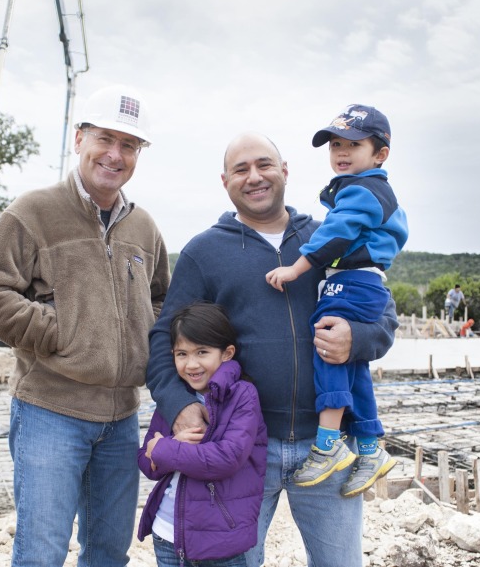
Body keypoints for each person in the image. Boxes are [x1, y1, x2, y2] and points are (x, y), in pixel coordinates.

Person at [146, 131, 399, 567]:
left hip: (329, 446)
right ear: (224, 181)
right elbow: (163, 337)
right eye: (240, 169)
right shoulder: (204, 252)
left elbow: (384, 318)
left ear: (284, 171)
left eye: (264, 165)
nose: (254, 177)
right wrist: (178, 405)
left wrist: (355, 340)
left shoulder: (331, 238)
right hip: (242, 445)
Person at [0, 84, 170, 567]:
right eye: (105, 139)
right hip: (50, 412)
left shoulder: (144, 228)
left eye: (130, 145)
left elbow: (162, 301)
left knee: (107, 552)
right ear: (79, 138)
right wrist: (60, 333)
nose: (115, 155)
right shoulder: (33, 212)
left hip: (121, 418)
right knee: (41, 552)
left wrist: (141, 339)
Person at [264, 104, 407, 496]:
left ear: (380, 154)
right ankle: (369, 447)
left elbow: (338, 232)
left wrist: (296, 268)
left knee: (326, 345)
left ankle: (327, 445)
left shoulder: (363, 190)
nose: (341, 152)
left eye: (353, 144)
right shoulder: (364, 189)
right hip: (359, 279)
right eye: (335, 145)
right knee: (350, 361)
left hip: (351, 280)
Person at [138, 302, 267, 567]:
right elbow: (146, 461)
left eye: (202, 352)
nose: (191, 364)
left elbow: (226, 458)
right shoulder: (175, 399)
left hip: (221, 539)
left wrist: (166, 449)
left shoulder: (242, 395)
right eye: (181, 354)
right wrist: (169, 445)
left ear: (227, 353)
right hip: (167, 533)